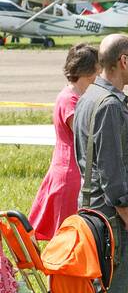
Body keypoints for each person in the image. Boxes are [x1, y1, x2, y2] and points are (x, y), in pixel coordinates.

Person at [73, 35, 128, 293]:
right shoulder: (110, 105)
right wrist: (127, 212)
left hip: (94, 210)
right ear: (123, 61)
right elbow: (110, 166)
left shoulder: (89, 96)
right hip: (112, 217)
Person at [29, 44, 99, 240]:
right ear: (88, 71)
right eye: (98, 68)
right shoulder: (71, 99)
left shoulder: (74, 95)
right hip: (71, 174)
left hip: (67, 170)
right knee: (67, 237)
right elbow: (86, 134)